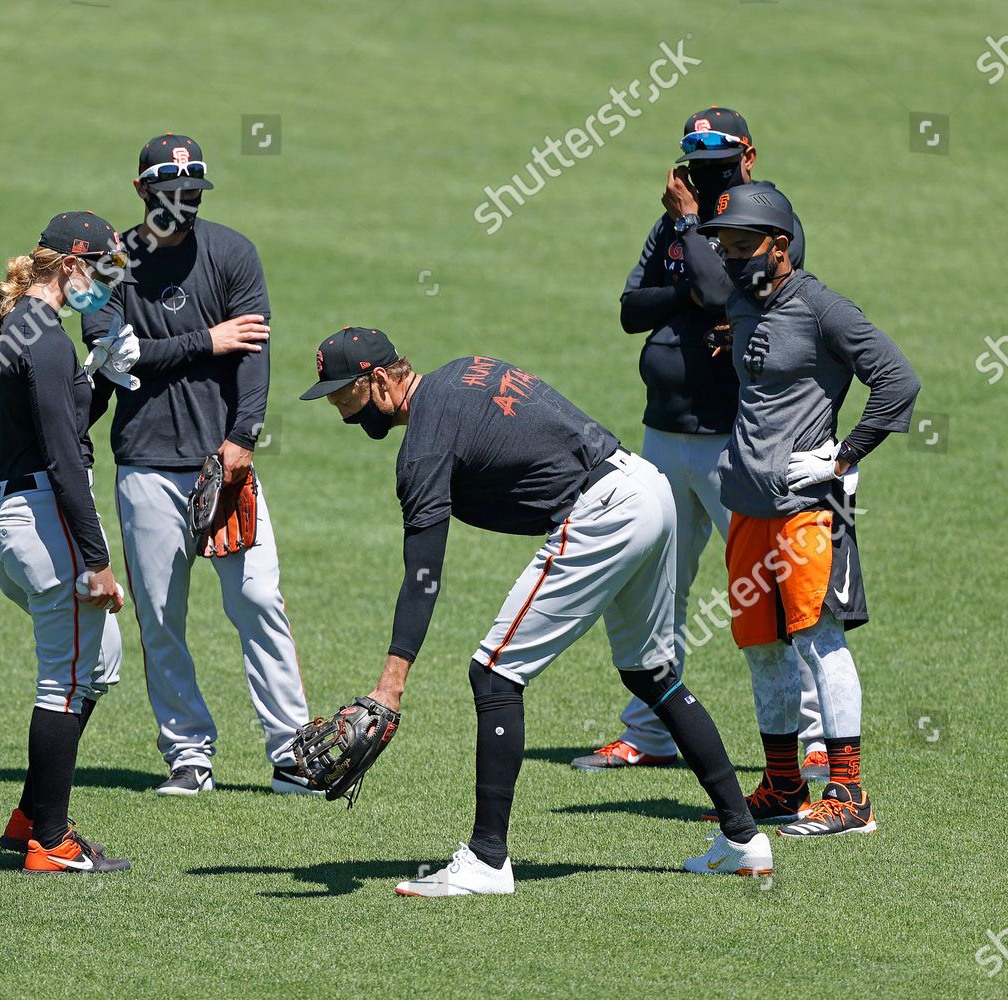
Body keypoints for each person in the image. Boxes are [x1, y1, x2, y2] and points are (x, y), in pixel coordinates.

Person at [300, 328, 770, 896]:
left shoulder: (423, 443)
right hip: (646, 485)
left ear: (377, 380)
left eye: (341, 393)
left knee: (495, 674)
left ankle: (486, 861)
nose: (337, 407)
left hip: (604, 511)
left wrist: (389, 687)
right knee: (651, 674)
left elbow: (423, 576)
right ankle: (744, 840)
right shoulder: (462, 369)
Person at [578, 106, 828, 780]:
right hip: (663, 433)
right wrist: (689, 277)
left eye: (718, 160)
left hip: (733, 440)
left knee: (765, 589)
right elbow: (633, 309)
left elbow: (723, 290)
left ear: (748, 156)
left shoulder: (765, 219)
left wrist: (691, 237)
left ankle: (812, 739)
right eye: (695, 158)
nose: (703, 173)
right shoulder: (673, 220)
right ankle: (652, 732)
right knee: (655, 584)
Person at [80, 133, 315, 796]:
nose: (181, 204)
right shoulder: (108, 267)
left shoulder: (234, 253)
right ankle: (189, 753)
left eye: (192, 192)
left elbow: (255, 354)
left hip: (224, 462)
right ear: (141, 191)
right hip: (146, 464)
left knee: (259, 602)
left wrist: (242, 440)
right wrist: (205, 340)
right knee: (160, 616)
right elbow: (115, 360)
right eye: (168, 192)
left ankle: (293, 753)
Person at [701, 184, 920, 835]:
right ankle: (783, 783)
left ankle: (849, 795)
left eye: (744, 248)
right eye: (726, 248)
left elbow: (897, 378)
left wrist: (844, 457)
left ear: (782, 245)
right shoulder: (743, 304)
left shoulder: (824, 308)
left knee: (819, 642)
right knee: (761, 647)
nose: (733, 260)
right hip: (747, 505)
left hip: (808, 509)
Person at [0, 211, 132, 873]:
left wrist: (103, 380)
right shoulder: (44, 337)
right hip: (42, 518)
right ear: (69, 266)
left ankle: (31, 816)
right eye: (101, 270)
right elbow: (65, 457)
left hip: (24, 511)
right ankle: (52, 843)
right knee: (63, 684)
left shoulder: (31, 328)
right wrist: (96, 561)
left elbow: (59, 424)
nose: (106, 285)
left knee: (101, 660)